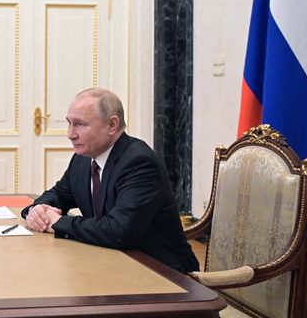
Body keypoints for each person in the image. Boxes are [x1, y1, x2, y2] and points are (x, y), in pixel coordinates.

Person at [22, 88, 199, 274]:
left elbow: (119, 231)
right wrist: (36, 210)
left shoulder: (139, 162)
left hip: (162, 275)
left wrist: (57, 223)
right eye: (69, 123)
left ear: (112, 125)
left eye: (80, 124)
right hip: (111, 265)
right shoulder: (83, 158)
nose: (70, 134)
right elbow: (60, 194)